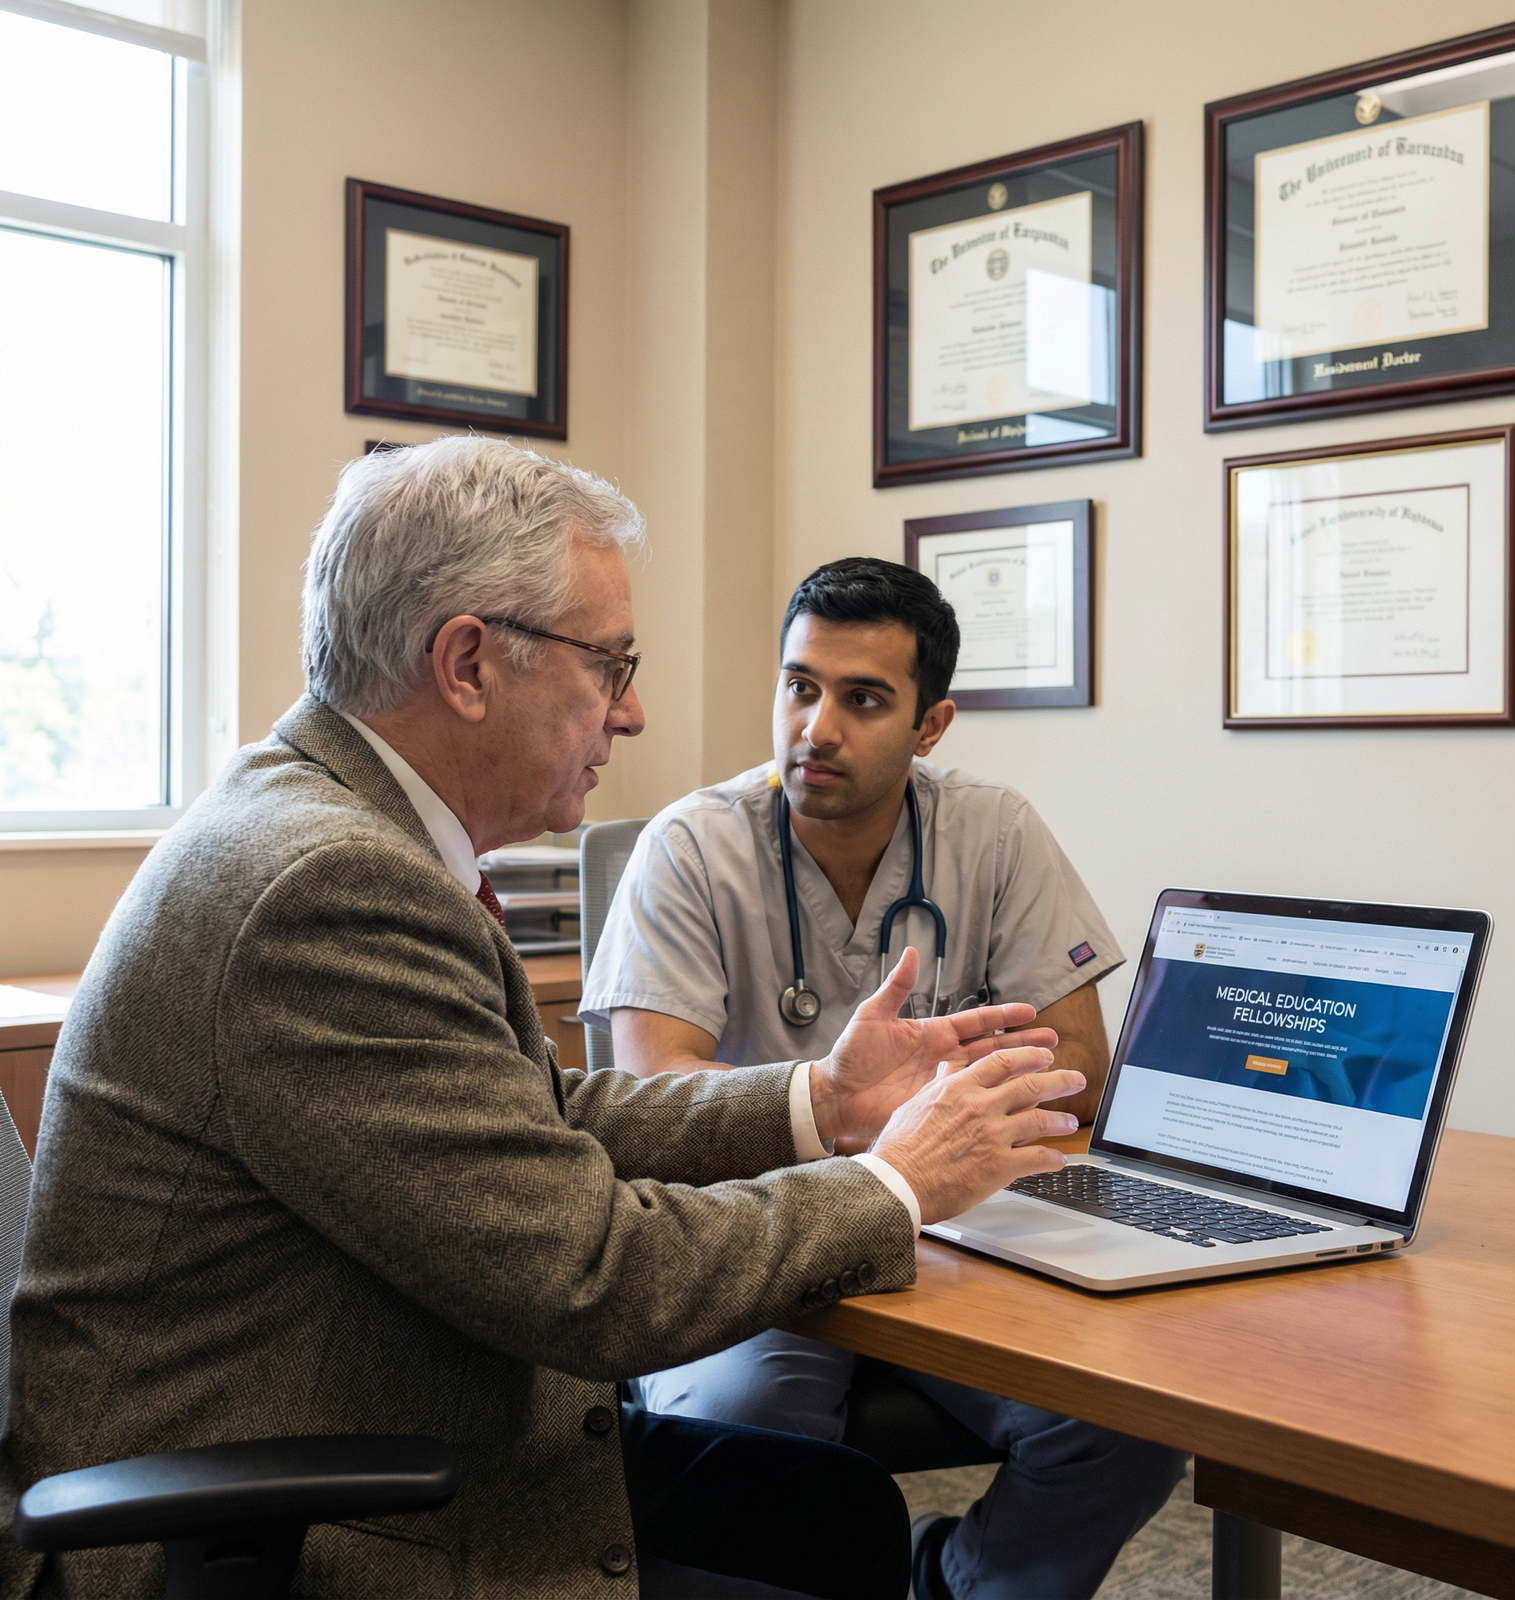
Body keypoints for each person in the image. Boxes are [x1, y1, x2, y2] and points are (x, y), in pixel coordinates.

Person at [0, 442, 1085, 1600]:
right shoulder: (328, 888)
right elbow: (593, 1276)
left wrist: (820, 1100)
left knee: (833, 1513)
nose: (632, 712)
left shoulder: (324, 821)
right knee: (815, 1532)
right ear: (468, 664)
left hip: (375, 1418)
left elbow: (529, 1116)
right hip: (279, 1516)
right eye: (609, 663)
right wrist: (895, 1181)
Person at [582, 558, 1187, 1600]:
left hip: (958, 1234)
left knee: (1129, 1420)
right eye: (799, 686)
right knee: (742, 1438)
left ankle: (955, 1584)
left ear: (930, 724)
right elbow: (654, 1088)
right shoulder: (691, 847)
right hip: (754, 1239)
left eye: (862, 699)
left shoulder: (994, 833)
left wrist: (934, 1121)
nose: (816, 727)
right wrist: (866, 1112)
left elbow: (1081, 1070)